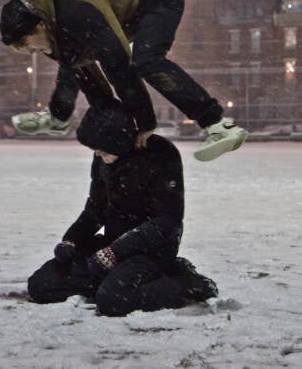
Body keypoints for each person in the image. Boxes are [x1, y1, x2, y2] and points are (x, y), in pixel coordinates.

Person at [0, 0, 248, 162]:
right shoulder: (58, 31)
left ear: (40, 25)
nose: (31, 52)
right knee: (74, 64)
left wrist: (145, 123)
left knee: (146, 60)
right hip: (124, 6)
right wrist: (109, 123)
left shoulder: (78, 14)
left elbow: (119, 67)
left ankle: (217, 125)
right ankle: (58, 118)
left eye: (27, 44)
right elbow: (89, 81)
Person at [27, 100, 218, 316]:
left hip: (152, 249)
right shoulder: (104, 158)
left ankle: (185, 282)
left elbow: (168, 222)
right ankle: (117, 279)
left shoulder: (161, 154)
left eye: (100, 149)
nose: (97, 154)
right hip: (113, 243)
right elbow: (94, 210)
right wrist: (71, 240)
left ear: (117, 141)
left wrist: (115, 252)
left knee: (113, 300)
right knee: (42, 285)